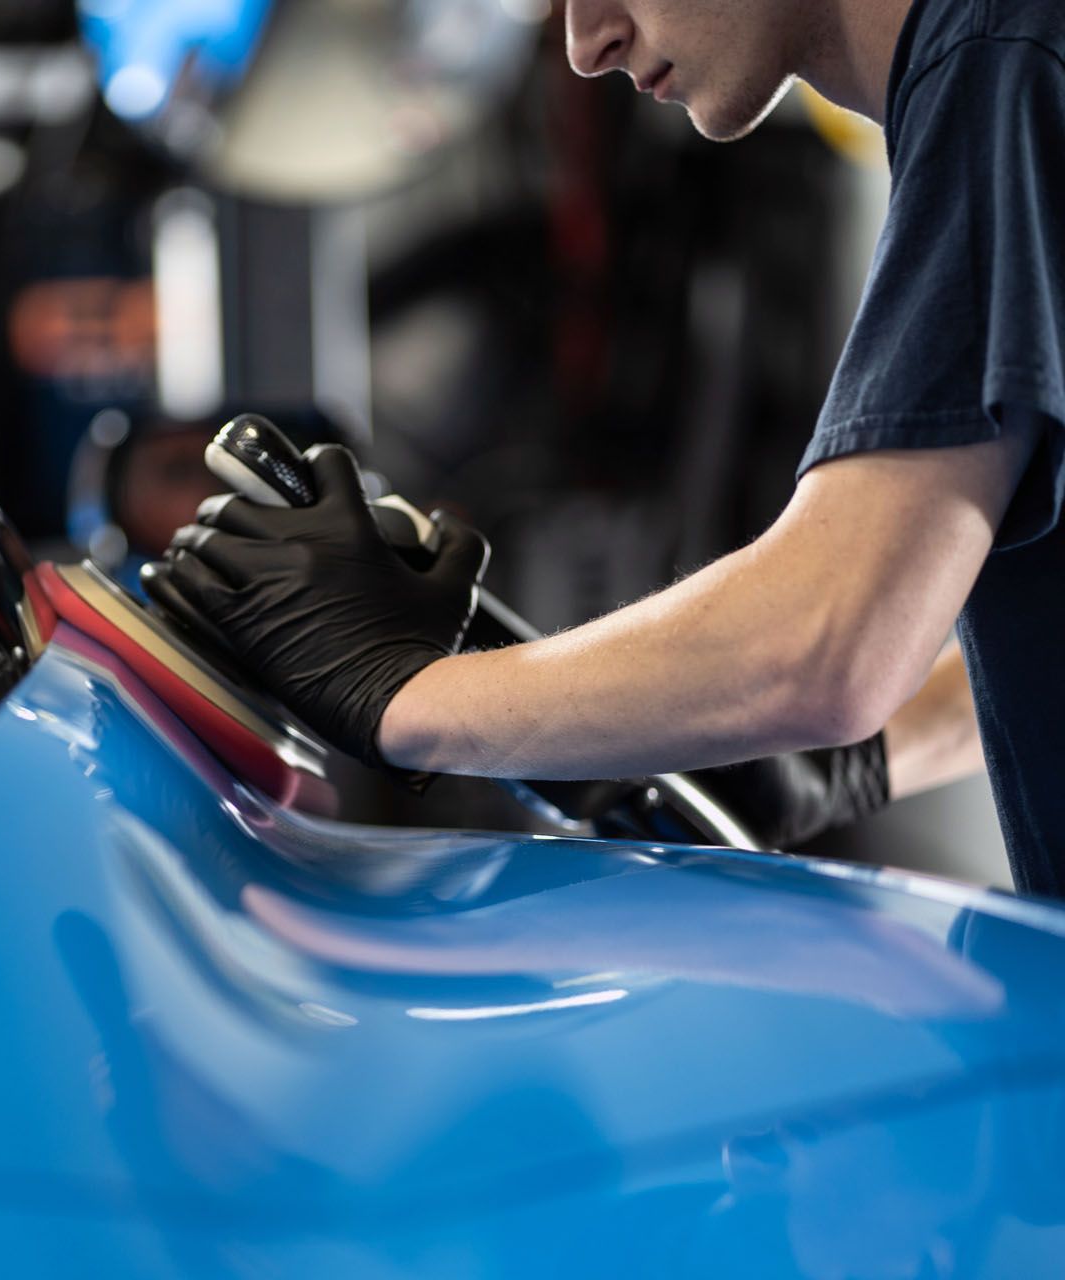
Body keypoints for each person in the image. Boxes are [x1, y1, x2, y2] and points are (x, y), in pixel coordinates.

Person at [154, 0, 1065, 899]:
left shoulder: (1002, 58)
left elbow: (828, 641)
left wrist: (402, 696)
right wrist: (857, 761)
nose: (588, 45)